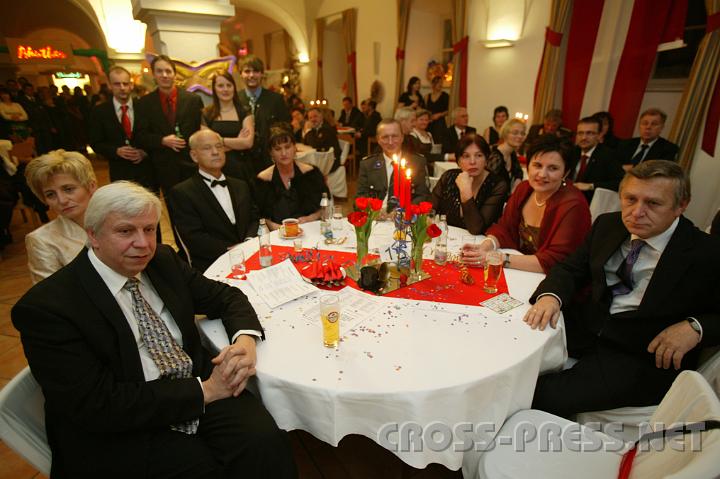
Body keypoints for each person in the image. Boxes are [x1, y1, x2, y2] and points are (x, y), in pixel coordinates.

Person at [11, 181, 297, 478]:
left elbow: (226, 297)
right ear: (93, 235)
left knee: (265, 443)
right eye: (125, 231)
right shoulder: (48, 308)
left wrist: (246, 340)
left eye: (149, 229)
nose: (143, 243)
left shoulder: (161, 261)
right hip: (123, 426)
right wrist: (207, 390)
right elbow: (95, 405)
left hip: (196, 386)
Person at [526, 160, 720, 417]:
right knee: (508, 356)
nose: (636, 212)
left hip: (639, 354)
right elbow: (570, 268)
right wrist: (551, 297)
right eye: (630, 199)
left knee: (538, 395)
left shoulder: (706, 253)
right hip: (587, 326)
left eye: (653, 203)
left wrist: (695, 327)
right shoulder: (608, 224)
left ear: (681, 206)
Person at [461, 135, 591, 274]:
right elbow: (505, 228)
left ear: (566, 173)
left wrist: (499, 258)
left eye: (553, 168)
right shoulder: (525, 189)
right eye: (537, 165)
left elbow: (556, 260)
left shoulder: (573, 205)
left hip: (553, 279)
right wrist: (485, 247)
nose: (542, 174)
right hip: (522, 270)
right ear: (528, 165)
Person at [168, 130, 258, 272]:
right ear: (194, 156)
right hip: (212, 264)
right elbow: (192, 237)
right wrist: (230, 251)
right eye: (207, 148)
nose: (215, 152)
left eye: (219, 146)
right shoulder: (182, 192)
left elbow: (253, 218)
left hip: (249, 256)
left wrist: (247, 243)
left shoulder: (240, 185)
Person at [23, 150, 97, 284]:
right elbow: (50, 297)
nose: (62, 200)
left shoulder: (120, 220)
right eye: (50, 194)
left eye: (68, 189)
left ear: (91, 186)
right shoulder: (42, 240)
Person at [135, 54, 204, 195]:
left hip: (192, 164)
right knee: (174, 209)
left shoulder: (193, 100)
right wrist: (162, 141)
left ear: (174, 74)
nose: (164, 75)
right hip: (163, 168)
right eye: (159, 71)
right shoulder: (144, 104)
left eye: (168, 71)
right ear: (154, 75)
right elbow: (140, 136)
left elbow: (200, 131)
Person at [88, 66, 156, 191]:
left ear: (131, 85)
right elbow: (95, 143)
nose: (122, 88)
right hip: (120, 173)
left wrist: (145, 152)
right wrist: (116, 151)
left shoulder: (145, 107)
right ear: (109, 85)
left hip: (146, 173)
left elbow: (155, 135)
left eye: (125, 83)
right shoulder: (100, 112)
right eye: (117, 84)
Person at [255, 125, 329, 230]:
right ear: (271, 153)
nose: (284, 153)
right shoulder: (263, 179)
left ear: (295, 148)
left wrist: (309, 218)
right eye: (278, 149)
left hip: (310, 229)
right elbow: (259, 216)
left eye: (287, 147)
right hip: (276, 234)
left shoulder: (311, 173)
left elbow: (324, 207)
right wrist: (278, 228)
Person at [431, 135, 508, 234]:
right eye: (466, 156)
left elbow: (476, 229)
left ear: (486, 159)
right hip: (447, 240)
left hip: (479, 245)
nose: (472, 162)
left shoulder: (497, 185)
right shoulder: (449, 177)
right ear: (458, 161)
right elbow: (429, 211)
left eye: (479, 155)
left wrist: (465, 192)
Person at [356, 119, 431, 208]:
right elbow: (360, 197)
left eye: (394, 136)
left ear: (402, 138)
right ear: (378, 140)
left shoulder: (417, 162)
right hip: (377, 217)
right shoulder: (368, 164)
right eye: (385, 137)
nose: (390, 142)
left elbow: (423, 195)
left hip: (406, 217)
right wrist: (375, 211)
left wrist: (404, 211)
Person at [236, 56, 291, 172]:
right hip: (242, 161)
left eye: (256, 71)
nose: (251, 75)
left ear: (262, 74)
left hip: (270, 161)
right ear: (241, 74)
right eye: (247, 71)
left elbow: (287, 128)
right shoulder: (235, 100)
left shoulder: (276, 99)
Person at [201, 71, 255, 182]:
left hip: (241, 169)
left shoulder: (244, 111)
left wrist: (220, 141)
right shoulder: (206, 113)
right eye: (220, 86)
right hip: (215, 170)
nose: (225, 89)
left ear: (234, 88)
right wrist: (237, 141)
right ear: (214, 89)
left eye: (229, 85)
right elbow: (208, 146)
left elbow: (248, 143)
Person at [569, 116, 625, 202]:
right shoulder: (572, 152)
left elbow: (620, 182)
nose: (584, 137)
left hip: (592, 202)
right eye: (580, 133)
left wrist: (591, 186)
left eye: (589, 133)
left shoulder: (608, 155)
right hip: (568, 197)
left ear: (599, 135)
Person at [487, 118, 526, 192]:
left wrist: (517, 182)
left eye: (522, 133)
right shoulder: (495, 157)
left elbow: (519, 172)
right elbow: (488, 185)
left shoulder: (512, 153)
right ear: (505, 134)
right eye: (515, 133)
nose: (520, 136)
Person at [303, 106, 341, 172]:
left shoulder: (327, 128)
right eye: (310, 118)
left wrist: (308, 131)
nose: (313, 119)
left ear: (321, 117)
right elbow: (305, 143)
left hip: (330, 161)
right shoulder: (315, 128)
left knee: (305, 169)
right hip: (320, 158)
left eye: (315, 116)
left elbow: (315, 145)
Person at [425, 76, 449, 143]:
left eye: (441, 83)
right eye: (438, 82)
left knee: (439, 141)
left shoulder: (445, 95)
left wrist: (439, 115)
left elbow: (448, 111)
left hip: (440, 123)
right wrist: (429, 116)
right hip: (429, 122)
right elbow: (425, 110)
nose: (440, 84)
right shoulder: (427, 96)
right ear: (433, 84)